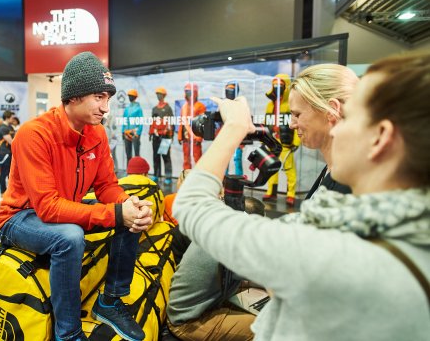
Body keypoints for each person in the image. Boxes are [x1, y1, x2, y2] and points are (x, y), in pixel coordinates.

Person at [173, 51, 430, 341]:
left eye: (349, 117)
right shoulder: (399, 232)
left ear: (381, 136)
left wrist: (233, 128)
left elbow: (191, 205)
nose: (337, 125)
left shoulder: (338, 250)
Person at [0, 51, 153, 341]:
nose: (105, 108)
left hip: (63, 207)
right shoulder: (33, 134)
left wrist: (128, 205)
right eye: (99, 97)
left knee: (130, 214)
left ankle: (110, 300)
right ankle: (67, 334)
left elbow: (106, 186)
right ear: (74, 96)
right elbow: (47, 207)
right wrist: (115, 212)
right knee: (69, 237)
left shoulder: (97, 134)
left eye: (108, 98)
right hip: (19, 217)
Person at [289, 64, 359, 198]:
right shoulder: (333, 169)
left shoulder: (349, 183)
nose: (292, 125)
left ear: (331, 110)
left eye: (297, 115)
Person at [262, 74, 300, 206]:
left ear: (286, 87)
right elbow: (266, 123)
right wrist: (263, 139)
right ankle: (271, 191)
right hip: (272, 143)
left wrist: (296, 141)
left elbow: (296, 123)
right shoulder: (269, 105)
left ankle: (291, 194)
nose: (277, 88)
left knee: (289, 169)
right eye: (275, 85)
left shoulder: (291, 105)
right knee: (271, 168)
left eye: (280, 85)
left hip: (286, 143)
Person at [178, 83, 206, 170]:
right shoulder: (184, 107)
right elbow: (182, 122)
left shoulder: (200, 106)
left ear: (195, 93)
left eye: (189, 92)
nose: (188, 94)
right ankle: (186, 177)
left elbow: (203, 124)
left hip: (195, 138)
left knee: (198, 159)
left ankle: (199, 178)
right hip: (186, 138)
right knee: (186, 159)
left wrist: (199, 138)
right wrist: (180, 136)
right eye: (186, 92)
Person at [149, 87, 174, 185]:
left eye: (160, 94)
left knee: (165, 156)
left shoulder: (168, 108)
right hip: (155, 136)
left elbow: (171, 123)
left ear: (164, 95)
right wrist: (151, 133)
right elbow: (152, 122)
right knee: (156, 156)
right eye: (157, 94)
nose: (158, 96)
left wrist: (170, 135)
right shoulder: (154, 109)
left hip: (165, 136)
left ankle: (168, 176)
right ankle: (156, 175)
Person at [121, 89, 143, 166]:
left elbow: (140, 122)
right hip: (127, 133)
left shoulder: (138, 108)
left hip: (135, 133)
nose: (130, 97)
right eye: (129, 96)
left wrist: (138, 133)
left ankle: (137, 172)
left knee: (136, 154)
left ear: (135, 97)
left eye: (131, 96)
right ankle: (129, 171)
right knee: (128, 154)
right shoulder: (127, 108)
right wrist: (122, 131)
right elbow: (124, 120)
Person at [0, 110, 15, 194]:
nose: (13, 119)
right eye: (12, 118)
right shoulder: (3, 128)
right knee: (4, 172)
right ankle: (3, 191)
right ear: (7, 118)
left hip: (10, 152)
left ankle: (10, 190)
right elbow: (11, 141)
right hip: (4, 153)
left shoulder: (10, 127)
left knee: (10, 173)